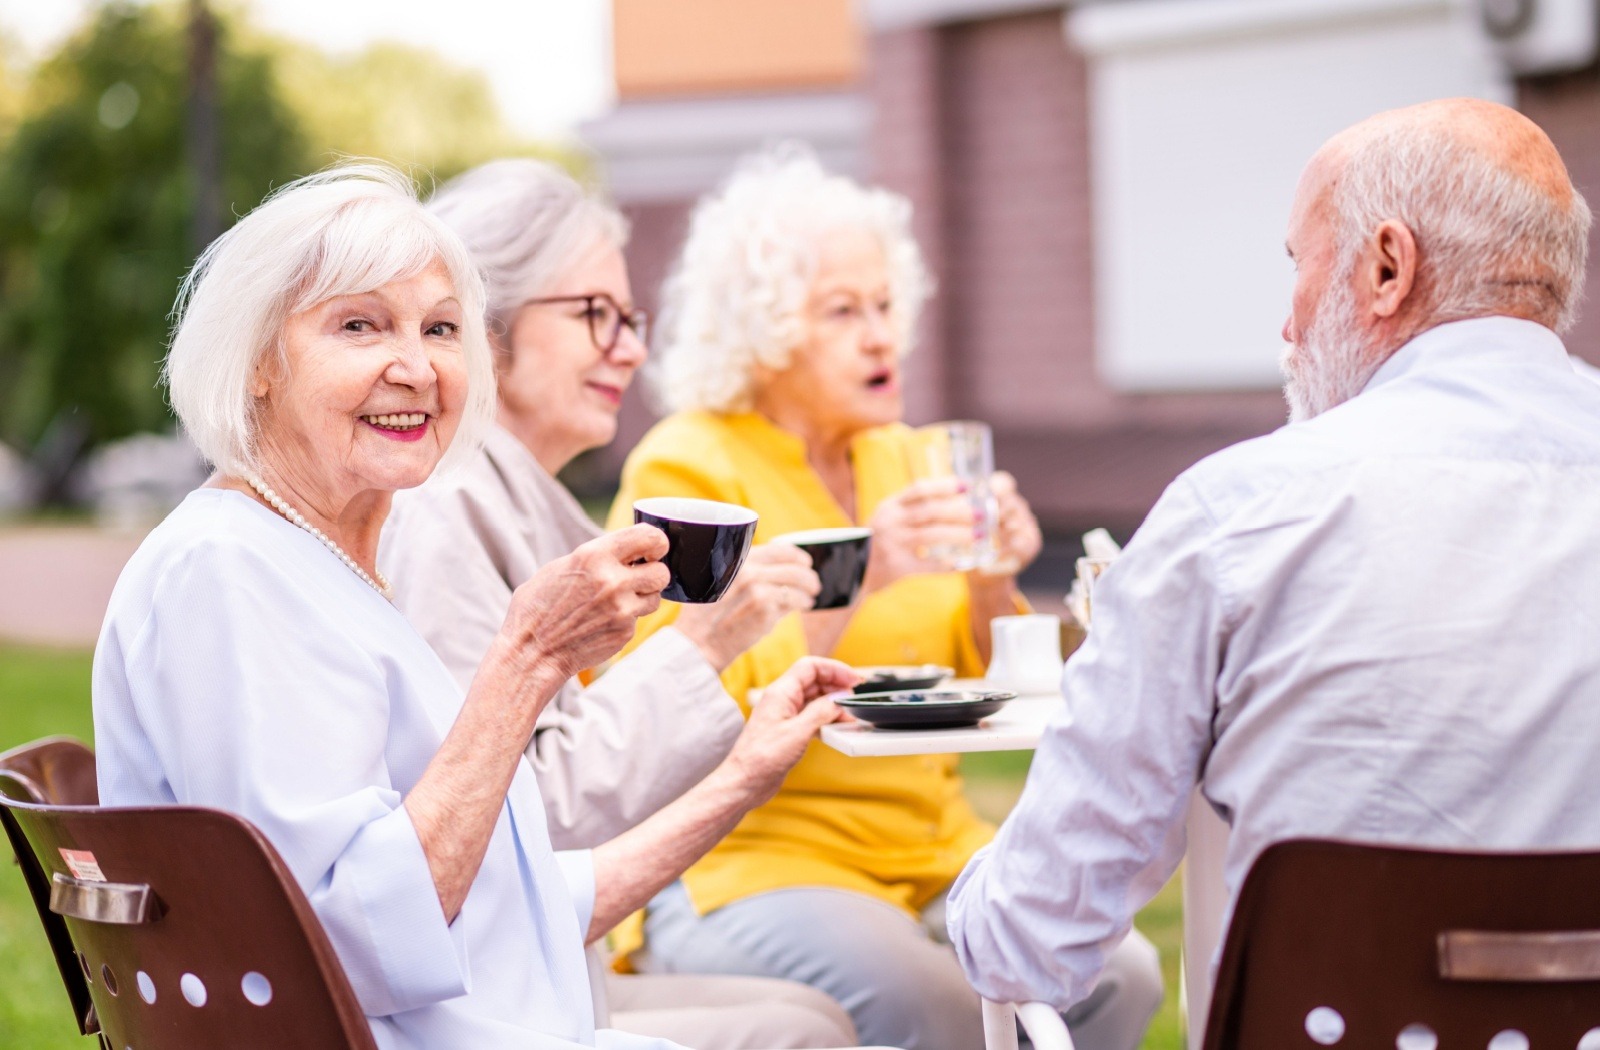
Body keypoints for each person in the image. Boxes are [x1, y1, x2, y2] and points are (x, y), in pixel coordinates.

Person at [92, 163, 859, 1050]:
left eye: (442, 328)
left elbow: (508, 899)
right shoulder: (229, 575)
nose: (416, 366)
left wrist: (743, 776)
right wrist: (527, 658)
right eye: (359, 325)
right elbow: (347, 944)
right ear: (257, 364)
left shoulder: (312, 562)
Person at [946, 98, 1600, 1013]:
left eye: (1300, 265)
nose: (1289, 327)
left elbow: (1028, 944)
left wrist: (976, 890)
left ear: (1386, 266)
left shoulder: (1236, 517)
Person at [606, 147, 1163, 1050]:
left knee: (1118, 974)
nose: (880, 336)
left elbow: (993, 673)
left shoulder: (907, 457)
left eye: (885, 305)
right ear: (765, 329)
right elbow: (689, 700)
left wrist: (993, 576)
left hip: (931, 845)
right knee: (929, 1004)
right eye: (842, 312)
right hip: (759, 858)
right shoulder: (690, 465)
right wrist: (868, 569)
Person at [380, 158, 854, 1050]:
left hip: (528, 965)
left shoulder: (500, 502)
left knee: (814, 1021)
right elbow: (525, 819)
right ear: (487, 318)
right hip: (477, 993)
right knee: (809, 1034)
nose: (632, 349)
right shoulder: (444, 513)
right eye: (595, 313)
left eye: (631, 319)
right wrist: (707, 645)